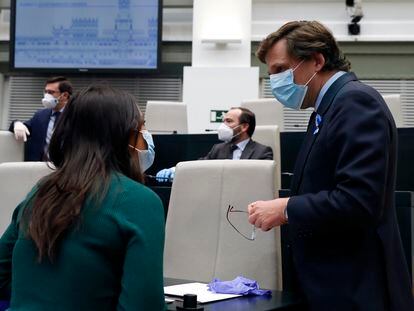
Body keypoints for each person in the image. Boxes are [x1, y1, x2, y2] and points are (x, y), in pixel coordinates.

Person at [247, 21, 414, 310]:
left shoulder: (356, 102)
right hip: (330, 287)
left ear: (317, 60)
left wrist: (286, 208)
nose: (274, 81)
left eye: (280, 70)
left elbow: (359, 200)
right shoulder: (328, 108)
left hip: (355, 289)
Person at [0, 85, 166, 310]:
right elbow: (144, 306)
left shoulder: (40, 192)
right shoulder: (140, 201)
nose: (146, 137)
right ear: (125, 136)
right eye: (142, 127)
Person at [155, 107, 273, 182]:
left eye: (229, 121)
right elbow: (199, 166)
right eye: (223, 121)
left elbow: (260, 181)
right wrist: (176, 170)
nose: (223, 126)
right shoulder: (218, 149)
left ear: (244, 126)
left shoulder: (262, 151)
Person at [9, 76, 73, 161]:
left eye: (51, 92)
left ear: (64, 95)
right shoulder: (40, 115)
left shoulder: (76, 115)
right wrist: (16, 123)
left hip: (67, 168)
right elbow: (24, 128)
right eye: (46, 92)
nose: (47, 95)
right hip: (39, 167)